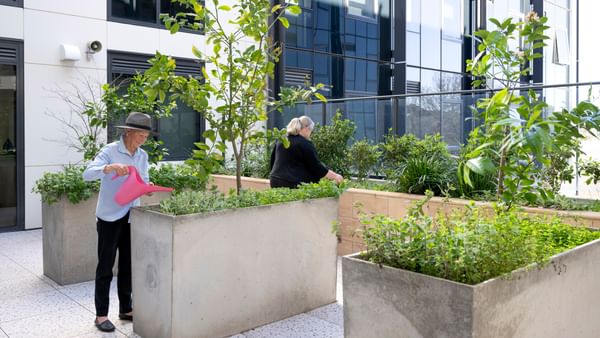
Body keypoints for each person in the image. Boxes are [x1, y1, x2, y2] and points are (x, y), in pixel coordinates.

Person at [82, 112, 155, 332]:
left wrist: (148, 188)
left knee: (127, 265)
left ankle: (126, 308)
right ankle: (101, 315)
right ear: (128, 132)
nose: (143, 139)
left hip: (132, 215)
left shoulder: (142, 155)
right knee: (105, 266)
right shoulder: (110, 151)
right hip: (109, 217)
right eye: (140, 135)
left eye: (146, 135)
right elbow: (87, 174)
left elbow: (143, 179)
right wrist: (109, 168)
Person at [269, 116, 343, 188]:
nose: (311, 134)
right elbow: (316, 167)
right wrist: (335, 176)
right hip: (293, 183)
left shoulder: (282, 141)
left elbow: (273, 162)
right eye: (311, 130)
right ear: (306, 129)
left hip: (275, 180)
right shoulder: (305, 143)